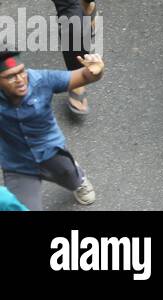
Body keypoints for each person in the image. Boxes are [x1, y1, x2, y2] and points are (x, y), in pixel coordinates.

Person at [0, 51, 102, 210]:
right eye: (11, 77)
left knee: (72, 178)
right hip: (17, 164)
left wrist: (96, 71)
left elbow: (86, 76)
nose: (20, 80)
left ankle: (78, 178)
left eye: (22, 72)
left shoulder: (42, 80)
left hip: (50, 151)